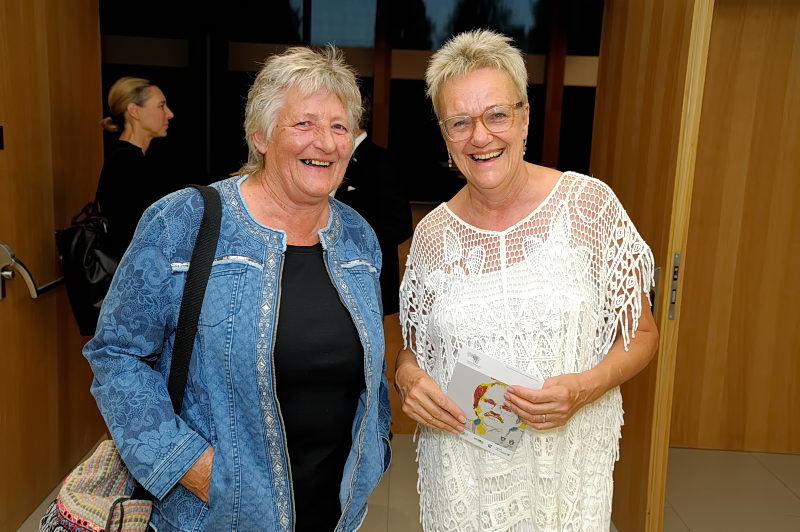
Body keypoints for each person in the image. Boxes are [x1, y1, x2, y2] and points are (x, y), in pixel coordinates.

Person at [84, 46, 392, 531]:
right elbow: (117, 354)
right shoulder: (184, 221)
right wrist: (187, 465)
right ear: (260, 136)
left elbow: (371, 371)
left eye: (339, 126)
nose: (326, 142)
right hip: (215, 514)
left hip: (336, 513)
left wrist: (378, 445)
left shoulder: (357, 237)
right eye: (304, 123)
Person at [395, 30, 659, 531]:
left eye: (497, 115)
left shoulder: (588, 206)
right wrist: (406, 377)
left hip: (566, 471)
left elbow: (642, 333)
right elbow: (415, 349)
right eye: (460, 122)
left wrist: (583, 388)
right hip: (467, 475)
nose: (480, 137)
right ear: (445, 136)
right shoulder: (432, 235)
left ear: (525, 118)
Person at [334, 87, 413, 315]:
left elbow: (400, 226)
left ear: (355, 115)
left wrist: (349, 241)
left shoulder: (382, 161)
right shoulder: (327, 157)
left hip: (368, 281)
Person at [96, 76, 176, 262]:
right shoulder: (125, 162)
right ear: (134, 111)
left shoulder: (129, 158)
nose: (169, 114)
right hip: (133, 270)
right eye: (161, 106)